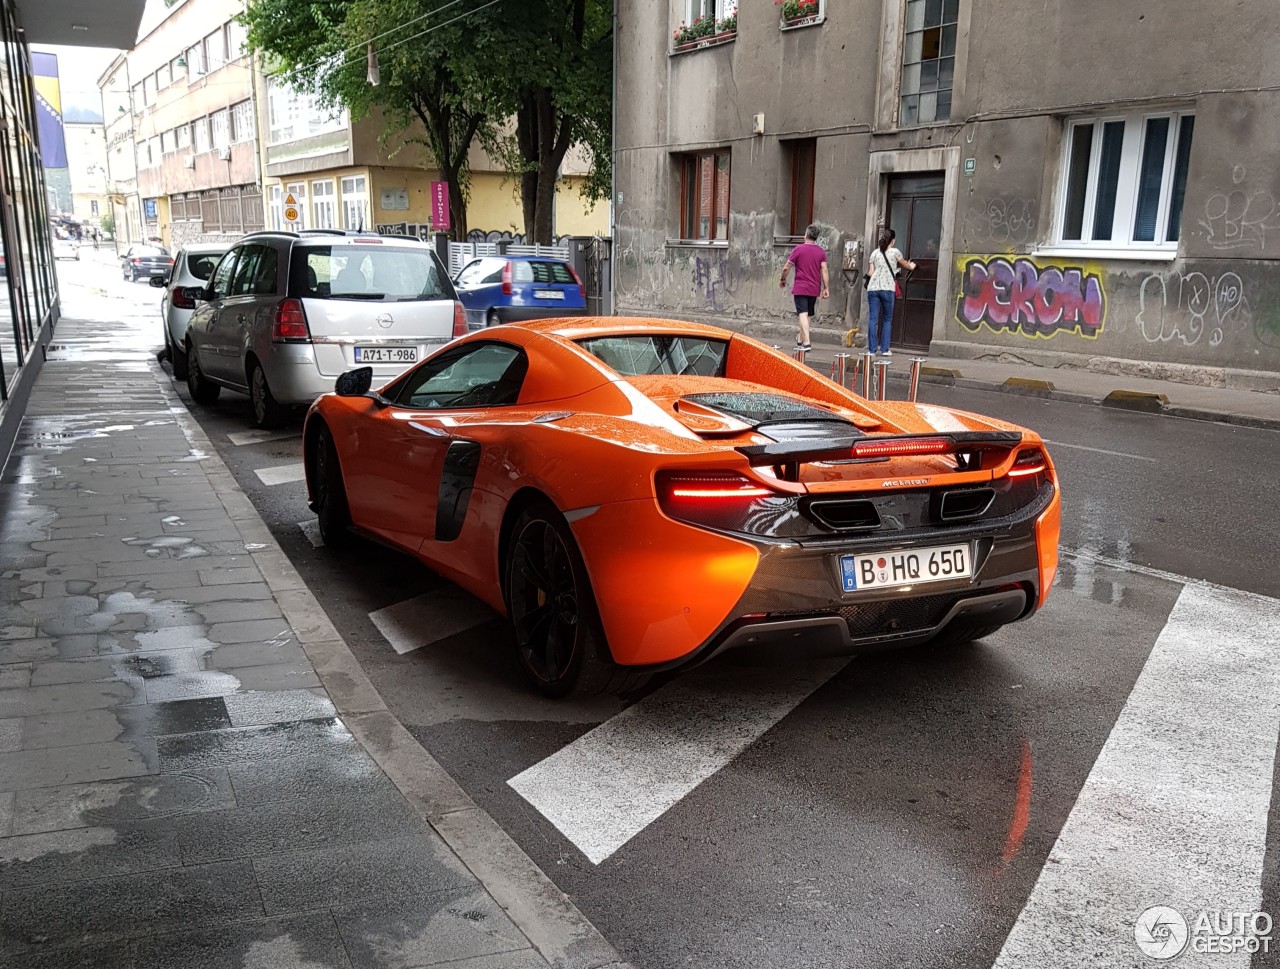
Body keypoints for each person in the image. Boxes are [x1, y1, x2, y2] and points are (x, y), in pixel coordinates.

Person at [778, 224, 829, 351]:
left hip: (801, 287)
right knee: (808, 315)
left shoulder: (798, 249)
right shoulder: (821, 252)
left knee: (802, 314)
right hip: (814, 288)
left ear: (805, 235)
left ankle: (807, 342)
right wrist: (826, 287)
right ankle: (800, 339)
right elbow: (825, 270)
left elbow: (786, 267)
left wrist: (782, 279)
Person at [866, 228, 916, 357]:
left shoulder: (875, 253)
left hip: (873, 288)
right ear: (892, 241)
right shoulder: (895, 252)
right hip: (887, 288)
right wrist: (912, 266)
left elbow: (870, 273)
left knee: (873, 319)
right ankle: (884, 349)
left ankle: (871, 350)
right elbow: (907, 265)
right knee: (887, 319)